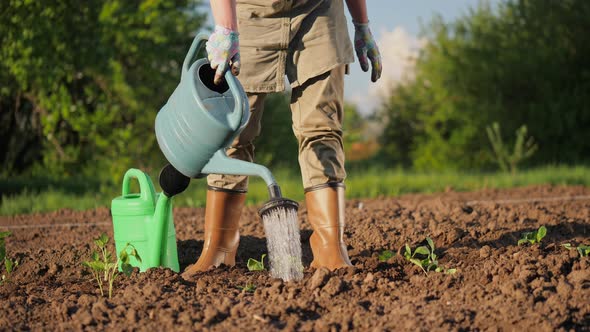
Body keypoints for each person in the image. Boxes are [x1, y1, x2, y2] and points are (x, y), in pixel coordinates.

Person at [182, 0, 381, 277]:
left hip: (319, 12)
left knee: (322, 129)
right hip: (251, 15)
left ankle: (329, 246)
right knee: (233, 133)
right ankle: (219, 247)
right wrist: (226, 28)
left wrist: (362, 24)